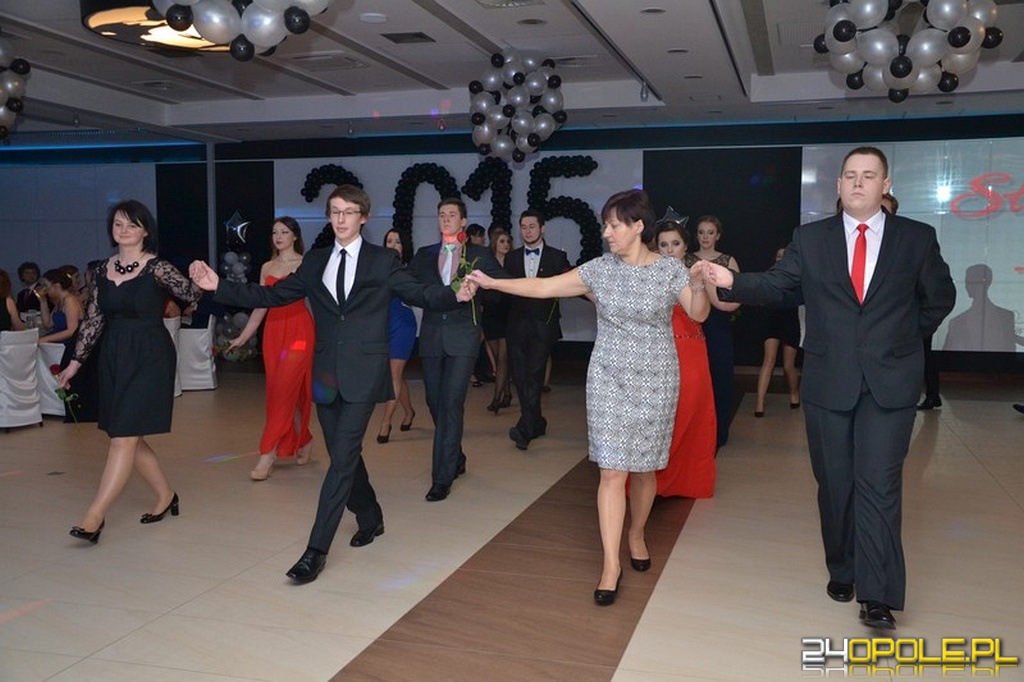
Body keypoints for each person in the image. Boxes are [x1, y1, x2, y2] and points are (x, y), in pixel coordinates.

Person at [701, 147, 956, 630]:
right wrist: (731, 280)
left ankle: (877, 596)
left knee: (878, 484)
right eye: (850, 175)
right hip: (829, 380)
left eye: (869, 175)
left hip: (889, 384)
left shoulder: (916, 238)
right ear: (838, 185)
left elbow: (939, 298)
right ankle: (843, 567)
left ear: (885, 185)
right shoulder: (811, 239)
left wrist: (902, 340)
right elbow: (779, 286)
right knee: (836, 484)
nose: (858, 183)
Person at [190, 185, 470, 584]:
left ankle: (315, 551)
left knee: (342, 459)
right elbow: (274, 295)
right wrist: (219, 285)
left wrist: (456, 293)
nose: (341, 218)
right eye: (335, 211)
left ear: (363, 217)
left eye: (349, 211)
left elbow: (420, 292)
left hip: (364, 373)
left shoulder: (382, 260)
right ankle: (370, 515)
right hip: (324, 374)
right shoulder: (316, 260)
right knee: (344, 454)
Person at [468, 189, 709, 606]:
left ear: (638, 226)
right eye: (605, 225)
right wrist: (492, 281)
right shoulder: (598, 269)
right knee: (612, 472)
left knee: (644, 469)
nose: (607, 232)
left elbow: (699, 313)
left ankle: (636, 534)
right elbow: (543, 286)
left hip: (656, 380)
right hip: (608, 379)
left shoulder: (670, 270)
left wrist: (699, 284)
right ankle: (610, 564)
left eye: (614, 225)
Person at [58, 200, 203, 544]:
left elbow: (191, 295)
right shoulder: (101, 270)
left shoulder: (158, 268)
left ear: (145, 231)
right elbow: (94, 320)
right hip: (114, 355)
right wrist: (74, 363)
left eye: (131, 225)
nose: (123, 230)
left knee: (123, 437)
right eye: (118, 224)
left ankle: (94, 517)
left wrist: (199, 277)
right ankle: (166, 495)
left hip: (150, 355)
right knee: (126, 433)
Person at [410, 197, 506, 502]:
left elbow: (501, 287)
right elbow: (411, 291)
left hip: (463, 336)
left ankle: (442, 476)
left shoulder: (478, 254)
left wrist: (481, 287)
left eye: (452, 214)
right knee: (434, 401)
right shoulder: (424, 255)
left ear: (463, 221)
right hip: (431, 336)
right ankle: (456, 455)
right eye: (442, 214)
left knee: (451, 402)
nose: (446, 218)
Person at [226, 216, 316, 480]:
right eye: (275, 232)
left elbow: (321, 302)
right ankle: (305, 440)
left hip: (300, 333)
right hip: (274, 333)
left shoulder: (306, 264)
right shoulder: (267, 267)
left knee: (283, 392)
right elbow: (261, 305)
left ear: (295, 236)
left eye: (284, 232)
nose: (278, 237)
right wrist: (244, 336)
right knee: (283, 391)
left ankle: (268, 453)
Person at [654, 219, 716, 499]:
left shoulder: (694, 276)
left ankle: (686, 481)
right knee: (662, 418)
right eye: (663, 245)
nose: (669, 250)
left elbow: (704, 312)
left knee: (691, 413)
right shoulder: (650, 277)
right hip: (660, 353)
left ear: (685, 246)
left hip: (691, 353)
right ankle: (654, 483)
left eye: (675, 244)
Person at [503, 210, 571, 450]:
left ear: (542, 228)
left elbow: (569, 285)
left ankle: (525, 428)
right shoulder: (511, 258)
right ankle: (536, 421)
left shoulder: (557, 257)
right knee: (520, 377)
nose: (528, 231)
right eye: (524, 227)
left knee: (534, 374)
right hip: (516, 326)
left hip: (543, 326)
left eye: (532, 226)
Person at [684, 216, 740, 448]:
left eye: (710, 232)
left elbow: (737, 294)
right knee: (693, 381)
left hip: (718, 325)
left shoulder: (727, 260)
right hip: (691, 324)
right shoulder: (686, 259)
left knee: (720, 377)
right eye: (701, 232)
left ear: (718, 235)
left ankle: (719, 431)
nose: (705, 237)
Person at [375, 227, 418, 444]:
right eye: (389, 241)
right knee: (397, 375)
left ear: (404, 247)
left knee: (393, 374)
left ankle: (385, 423)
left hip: (402, 324)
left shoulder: (409, 271)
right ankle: (409, 411)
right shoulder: (376, 269)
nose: (393, 245)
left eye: (398, 241)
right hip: (382, 324)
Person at [752, 247, 801, 418]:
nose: (781, 259)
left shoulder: (797, 277)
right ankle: (759, 403)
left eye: (784, 256)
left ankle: (794, 393)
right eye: (778, 256)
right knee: (769, 360)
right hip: (772, 320)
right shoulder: (770, 276)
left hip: (790, 322)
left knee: (788, 366)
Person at [481, 228, 513, 414]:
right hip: (491, 314)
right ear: (494, 243)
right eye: (502, 241)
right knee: (498, 358)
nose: (506, 245)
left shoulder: (513, 263)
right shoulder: (487, 263)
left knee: (503, 359)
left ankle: (496, 399)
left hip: (508, 314)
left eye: (508, 241)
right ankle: (507, 393)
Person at [38, 268, 84, 347]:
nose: (44, 289)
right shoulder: (60, 301)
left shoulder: (69, 300)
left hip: (67, 345)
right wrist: (43, 301)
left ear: (57, 286)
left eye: (46, 285)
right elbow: (47, 324)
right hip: (57, 342)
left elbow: (72, 330)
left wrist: (45, 339)